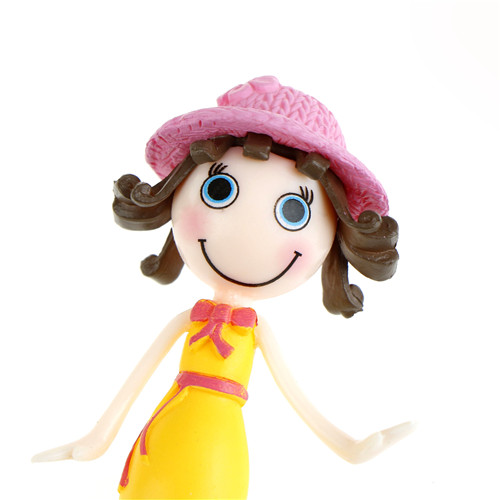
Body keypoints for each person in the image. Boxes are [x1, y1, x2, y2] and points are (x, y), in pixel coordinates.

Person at [33, 76, 414, 499]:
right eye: (219, 190)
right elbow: (136, 380)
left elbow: (297, 398)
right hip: (168, 430)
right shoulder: (191, 320)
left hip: (220, 448)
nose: (249, 232)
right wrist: (96, 439)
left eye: (294, 211)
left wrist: (349, 446)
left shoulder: (254, 330)